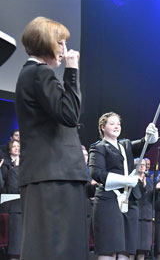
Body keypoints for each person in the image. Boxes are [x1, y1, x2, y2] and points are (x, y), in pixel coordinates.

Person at [15, 16, 89, 260]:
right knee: (56, 249)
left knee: (48, 247)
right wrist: (71, 71)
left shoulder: (32, 74)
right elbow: (69, 114)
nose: (64, 50)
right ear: (46, 42)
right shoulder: (39, 73)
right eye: (60, 43)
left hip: (49, 174)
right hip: (53, 175)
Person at [89, 112, 158, 260]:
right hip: (108, 201)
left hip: (129, 203)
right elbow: (97, 173)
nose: (116, 126)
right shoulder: (99, 148)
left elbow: (143, 144)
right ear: (102, 127)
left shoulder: (125, 144)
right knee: (110, 248)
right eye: (112, 123)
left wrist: (150, 136)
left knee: (125, 250)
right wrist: (126, 180)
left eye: (118, 124)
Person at [1, 139, 21, 260]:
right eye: (14, 146)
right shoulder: (6, 165)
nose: (16, 148)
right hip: (9, 201)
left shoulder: (25, 164)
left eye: (18, 146)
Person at [136, 158, 153, 260]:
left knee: (143, 249)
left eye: (144, 164)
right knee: (132, 249)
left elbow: (151, 199)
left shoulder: (150, 181)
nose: (143, 166)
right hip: (135, 216)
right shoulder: (131, 179)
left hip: (146, 217)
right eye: (140, 164)